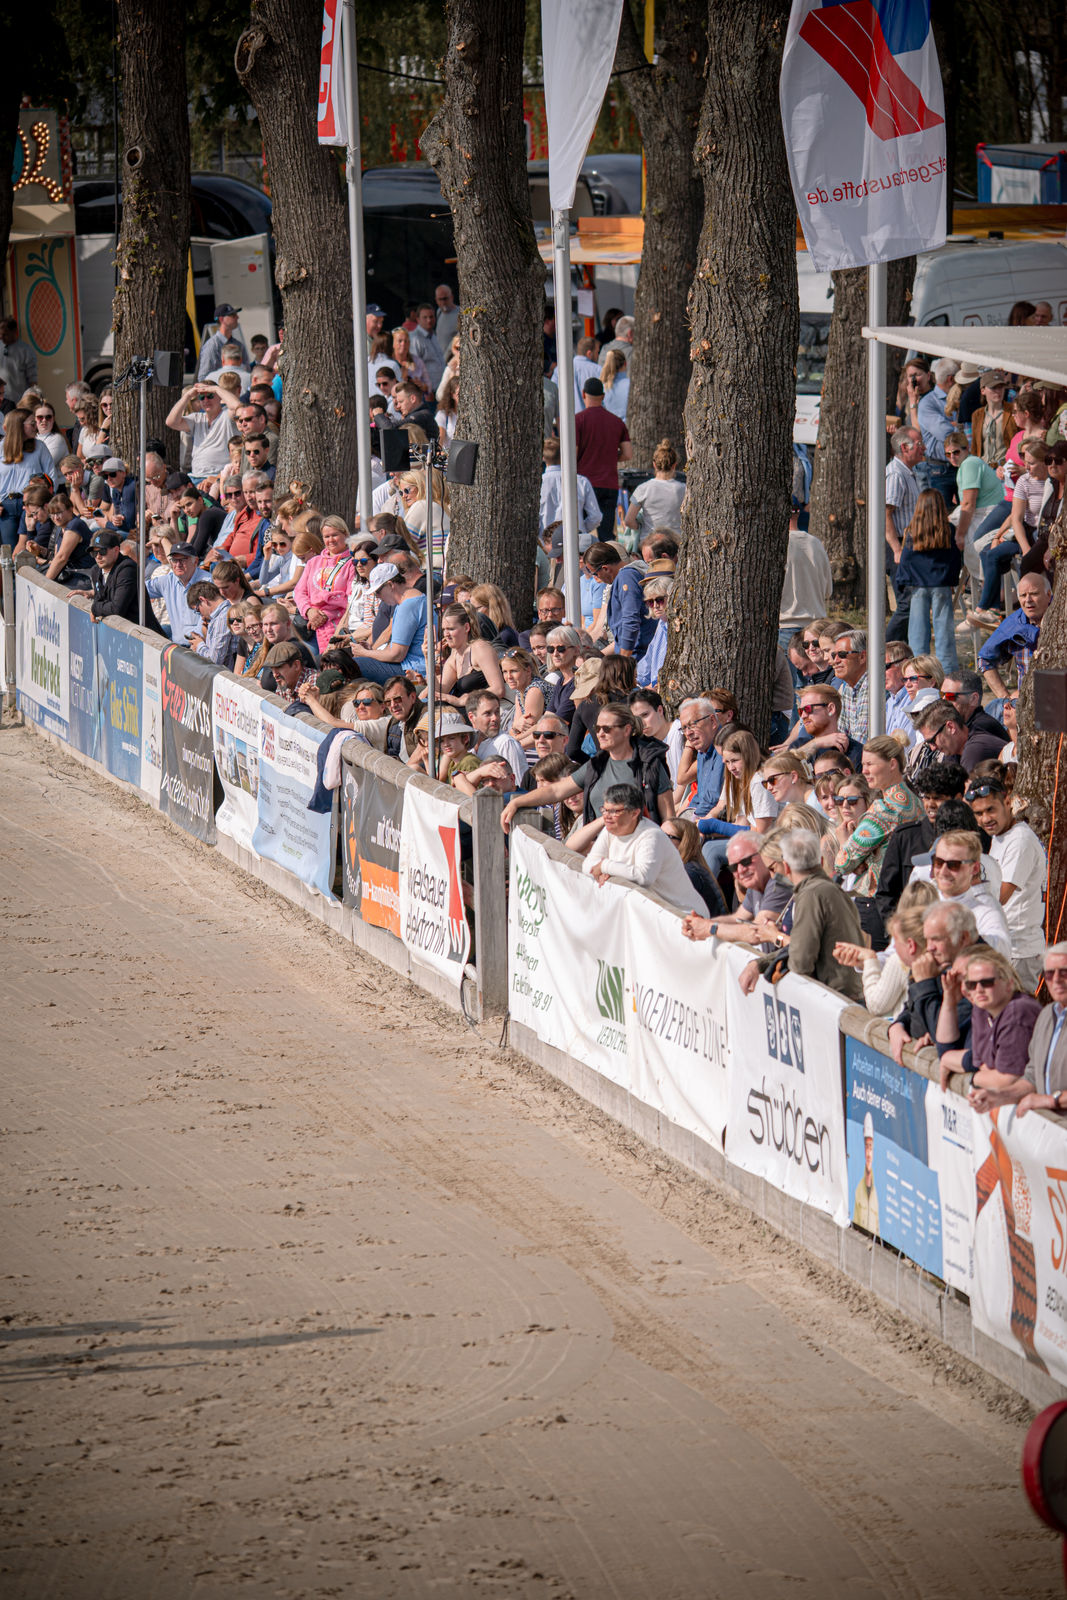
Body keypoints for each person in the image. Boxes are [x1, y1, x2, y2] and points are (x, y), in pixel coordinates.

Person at [501, 703, 672, 832]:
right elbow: (556, 791)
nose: (600, 734)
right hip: (599, 849)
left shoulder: (649, 765)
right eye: (597, 728)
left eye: (607, 729)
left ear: (627, 730)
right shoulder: (597, 764)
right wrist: (517, 802)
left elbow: (668, 818)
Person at [737, 831, 863, 1000]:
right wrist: (759, 964)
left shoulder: (812, 894)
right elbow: (800, 947)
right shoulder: (827, 890)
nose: (773, 876)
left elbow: (800, 961)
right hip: (843, 997)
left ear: (786, 866)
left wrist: (772, 948)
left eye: (773, 869)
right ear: (821, 861)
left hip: (834, 1000)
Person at [965, 779, 1047, 992]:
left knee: (1015, 1011)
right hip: (1003, 945)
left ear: (1007, 802)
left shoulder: (1019, 840)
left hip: (1019, 950)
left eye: (991, 810)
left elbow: (999, 896)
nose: (986, 819)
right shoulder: (1001, 836)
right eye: (979, 813)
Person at [584, 784, 704, 914]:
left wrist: (605, 866)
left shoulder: (652, 835)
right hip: (651, 912)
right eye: (605, 810)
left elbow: (643, 877)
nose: (606, 816)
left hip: (682, 914)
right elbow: (587, 866)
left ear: (634, 813)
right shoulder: (609, 831)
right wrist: (607, 870)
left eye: (614, 811)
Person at [936, 950, 1041, 1096]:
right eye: (971, 984)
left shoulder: (1018, 1012)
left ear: (1009, 984)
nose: (979, 990)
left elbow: (1006, 1080)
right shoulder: (981, 1009)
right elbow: (949, 1051)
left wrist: (974, 1078)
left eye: (987, 983)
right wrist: (949, 1001)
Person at [888, 901, 979, 1066]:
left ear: (963, 938)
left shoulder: (980, 973)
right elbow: (913, 1012)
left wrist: (925, 984)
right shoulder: (943, 962)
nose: (929, 947)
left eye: (936, 939)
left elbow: (943, 1035)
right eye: (927, 939)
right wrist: (898, 1025)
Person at [873, 760, 967, 919]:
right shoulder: (905, 837)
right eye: (926, 797)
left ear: (957, 798)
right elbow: (886, 894)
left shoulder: (973, 838)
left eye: (938, 798)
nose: (930, 804)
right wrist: (901, 928)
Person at [833, 736, 924, 898]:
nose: (864, 771)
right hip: (906, 892)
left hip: (877, 897)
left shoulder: (884, 809)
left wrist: (843, 841)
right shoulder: (916, 801)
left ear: (892, 764)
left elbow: (843, 863)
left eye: (870, 764)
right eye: (863, 764)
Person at [896, 487, 963, 672]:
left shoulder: (912, 531)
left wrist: (901, 582)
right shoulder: (947, 529)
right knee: (944, 631)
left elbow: (906, 559)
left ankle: (918, 671)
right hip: (941, 585)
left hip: (918, 586)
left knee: (917, 632)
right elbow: (954, 557)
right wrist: (952, 580)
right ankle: (948, 672)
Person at [930, 828, 1011, 956]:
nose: (943, 871)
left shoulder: (987, 915)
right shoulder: (923, 905)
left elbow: (1000, 955)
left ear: (975, 868)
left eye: (954, 865)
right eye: (938, 862)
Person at [347, 562, 428, 686]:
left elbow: (396, 655)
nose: (378, 597)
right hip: (413, 666)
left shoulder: (407, 606)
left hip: (413, 670)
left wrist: (364, 653)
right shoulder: (413, 599)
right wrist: (371, 650)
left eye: (378, 591)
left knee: (353, 665)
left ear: (390, 585)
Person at [977, 570, 1052, 701]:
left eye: (1034, 594)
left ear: (1049, 594)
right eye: (1023, 595)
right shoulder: (1014, 623)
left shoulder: (1062, 616)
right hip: (1028, 705)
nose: (1028, 600)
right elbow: (985, 659)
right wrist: (1006, 699)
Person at [574, 377, 632, 535]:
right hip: (609, 483)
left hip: (584, 482)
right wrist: (611, 456)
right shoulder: (617, 422)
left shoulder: (578, 420)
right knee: (606, 534)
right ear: (603, 396)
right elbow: (628, 454)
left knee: (581, 533)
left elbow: (574, 453)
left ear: (583, 394)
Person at [585, 540, 657, 660]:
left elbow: (631, 620)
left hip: (637, 656)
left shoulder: (627, 577)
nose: (596, 578)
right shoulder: (624, 577)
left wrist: (624, 659)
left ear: (606, 569)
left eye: (596, 574)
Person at [778, 512, 833, 650]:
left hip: (785, 627)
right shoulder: (816, 544)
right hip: (816, 629)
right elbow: (828, 591)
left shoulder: (775, 545)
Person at [0, 410, 57, 543]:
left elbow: (51, 477)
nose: (35, 426)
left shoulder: (39, 447)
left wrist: (42, 502)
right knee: (10, 548)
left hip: (32, 505)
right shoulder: (1, 447)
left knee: (32, 545)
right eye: (32, 423)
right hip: (5, 506)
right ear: (18, 426)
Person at [165, 382, 239, 481]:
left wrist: (217, 389)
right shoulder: (196, 418)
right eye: (202, 397)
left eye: (210, 396)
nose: (206, 400)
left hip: (220, 477)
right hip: (196, 476)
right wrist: (188, 396)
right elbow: (171, 422)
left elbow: (238, 407)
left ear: (219, 397)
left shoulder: (227, 415)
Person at [438, 603, 505, 708]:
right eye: (444, 629)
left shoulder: (480, 648)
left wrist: (463, 700)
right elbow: (439, 692)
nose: (446, 634)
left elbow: (498, 689)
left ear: (466, 627)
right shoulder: (454, 655)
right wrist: (429, 659)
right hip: (467, 711)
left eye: (451, 629)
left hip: (486, 711)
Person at [915, 699, 1007, 774]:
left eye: (932, 741)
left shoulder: (975, 750)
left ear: (951, 727)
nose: (932, 748)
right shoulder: (953, 751)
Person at [660, 818, 729, 918]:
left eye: (665, 836)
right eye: (658, 833)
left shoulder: (689, 873)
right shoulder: (684, 867)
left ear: (683, 842)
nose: (657, 838)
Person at [538, 438, 601, 540]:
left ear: (543, 457)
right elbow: (595, 516)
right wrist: (581, 530)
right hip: (575, 539)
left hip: (547, 541)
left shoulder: (540, 483)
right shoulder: (581, 481)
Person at [624, 439, 686, 538]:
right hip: (675, 541)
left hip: (649, 541)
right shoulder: (684, 489)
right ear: (674, 465)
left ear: (654, 464)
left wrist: (640, 527)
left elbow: (628, 521)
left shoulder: (643, 489)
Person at [827, 629, 869, 745]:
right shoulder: (849, 687)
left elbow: (861, 742)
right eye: (834, 655)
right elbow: (840, 736)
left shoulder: (871, 686)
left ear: (862, 657)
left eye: (842, 654)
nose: (835, 661)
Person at [501, 650, 547, 748]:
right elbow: (515, 727)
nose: (509, 677)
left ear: (528, 671)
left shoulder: (534, 690)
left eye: (514, 671)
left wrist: (513, 739)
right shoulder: (519, 691)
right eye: (505, 671)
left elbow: (530, 729)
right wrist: (514, 729)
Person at [186, 581, 237, 667]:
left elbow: (215, 660)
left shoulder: (222, 618)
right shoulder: (220, 616)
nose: (201, 615)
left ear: (203, 600)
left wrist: (199, 645)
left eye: (198, 610)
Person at [197, 303, 250, 379]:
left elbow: (247, 371)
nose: (237, 317)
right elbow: (203, 377)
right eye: (233, 315)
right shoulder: (212, 345)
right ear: (221, 319)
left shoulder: (239, 345)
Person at [263, 640, 317, 704]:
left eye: (279, 667)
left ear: (296, 665)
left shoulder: (313, 682)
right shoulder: (283, 683)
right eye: (272, 668)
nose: (275, 674)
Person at [853, 1113, 879, 1232]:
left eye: (871, 1148)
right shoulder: (858, 1190)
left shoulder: (876, 1195)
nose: (868, 1154)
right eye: (866, 1147)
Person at [0, 317, 37, 395]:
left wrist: (33, 397)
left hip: (18, 398)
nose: (1, 337)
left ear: (14, 332)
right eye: (0, 334)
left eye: (5, 334)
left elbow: (33, 380)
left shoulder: (26, 351)